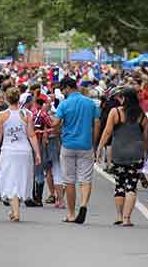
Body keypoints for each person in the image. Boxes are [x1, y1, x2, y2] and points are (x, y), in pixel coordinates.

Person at [53, 76, 100, 224]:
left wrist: (57, 129)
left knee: (69, 181)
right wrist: (94, 143)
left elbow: (56, 123)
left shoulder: (64, 104)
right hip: (86, 144)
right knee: (85, 179)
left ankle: (71, 214)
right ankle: (84, 204)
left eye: (63, 90)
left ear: (67, 88)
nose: (63, 93)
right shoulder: (90, 103)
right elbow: (97, 124)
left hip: (68, 145)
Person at [96, 87, 146, 226]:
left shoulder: (115, 112)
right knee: (131, 186)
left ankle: (118, 215)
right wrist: (146, 153)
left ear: (124, 99)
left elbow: (107, 132)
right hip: (136, 154)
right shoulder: (142, 115)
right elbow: (146, 137)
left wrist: (99, 148)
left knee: (119, 185)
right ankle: (127, 218)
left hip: (119, 153)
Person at [0, 86, 41, 222]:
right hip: (24, 151)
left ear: (7, 100)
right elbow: (32, 135)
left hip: (8, 150)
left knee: (10, 180)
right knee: (20, 180)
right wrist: (37, 152)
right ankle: (14, 210)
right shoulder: (26, 114)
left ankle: (16, 212)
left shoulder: (2, 115)